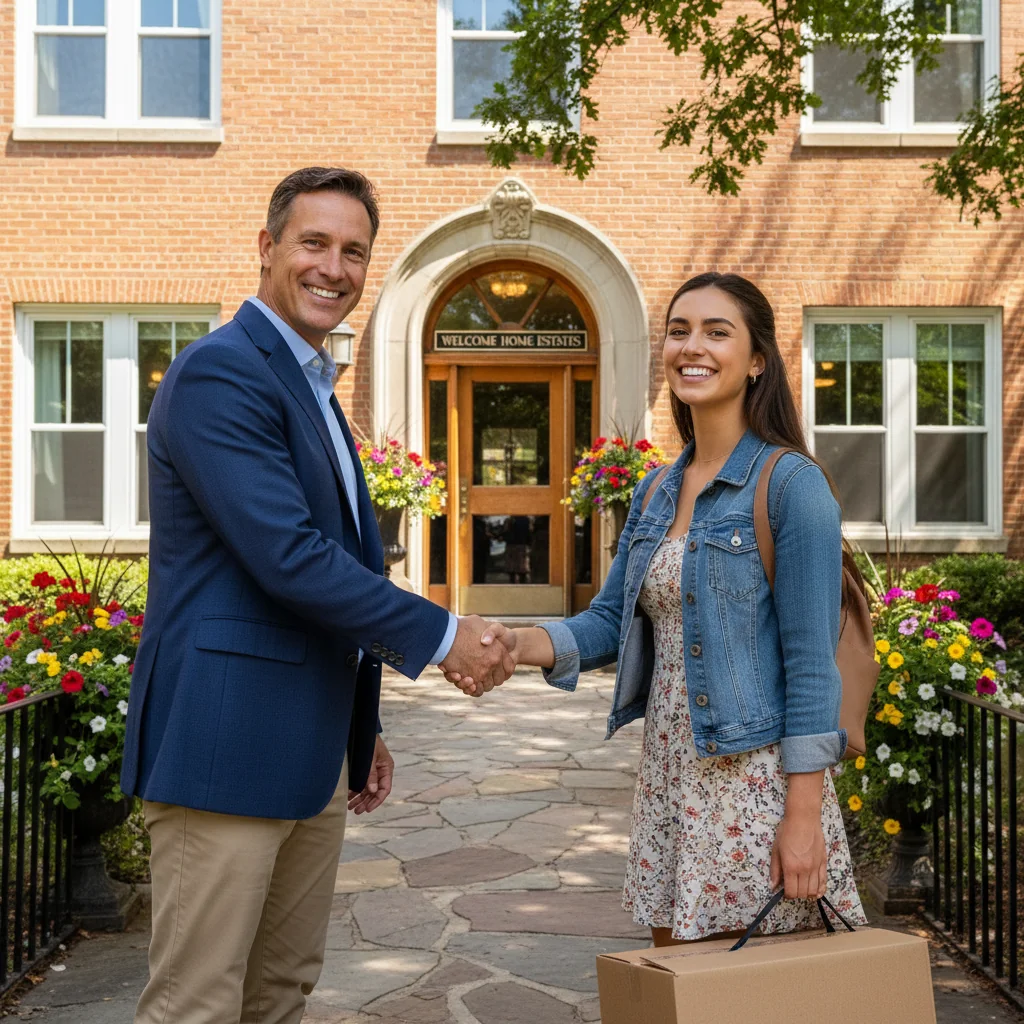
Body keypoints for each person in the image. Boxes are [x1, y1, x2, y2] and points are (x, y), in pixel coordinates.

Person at [121, 166, 512, 1023]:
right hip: (222, 749)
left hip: (308, 753)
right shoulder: (223, 372)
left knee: (280, 995)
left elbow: (341, 567)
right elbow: (289, 559)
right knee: (198, 1004)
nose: (333, 268)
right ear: (267, 248)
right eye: (314, 243)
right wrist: (447, 637)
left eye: (353, 252)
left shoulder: (313, 387)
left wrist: (357, 724)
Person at [444, 272, 868, 944]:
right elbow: (610, 621)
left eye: (716, 331)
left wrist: (803, 816)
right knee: (679, 986)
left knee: (755, 992)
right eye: (679, 330)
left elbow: (812, 666)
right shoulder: (656, 493)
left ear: (757, 360)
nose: (691, 346)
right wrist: (511, 643)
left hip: (752, 785)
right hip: (671, 779)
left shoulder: (790, 485)